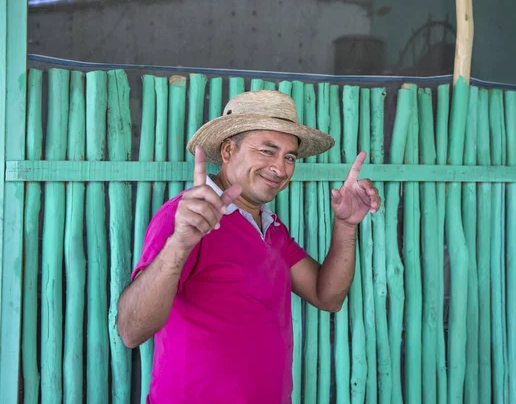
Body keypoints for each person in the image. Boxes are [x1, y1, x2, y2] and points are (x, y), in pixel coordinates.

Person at [116, 90, 381, 403]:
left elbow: (328, 296)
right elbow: (131, 331)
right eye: (267, 151)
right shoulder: (187, 217)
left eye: (289, 157)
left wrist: (346, 225)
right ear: (228, 151)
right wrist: (179, 245)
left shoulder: (271, 228)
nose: (280, 168)